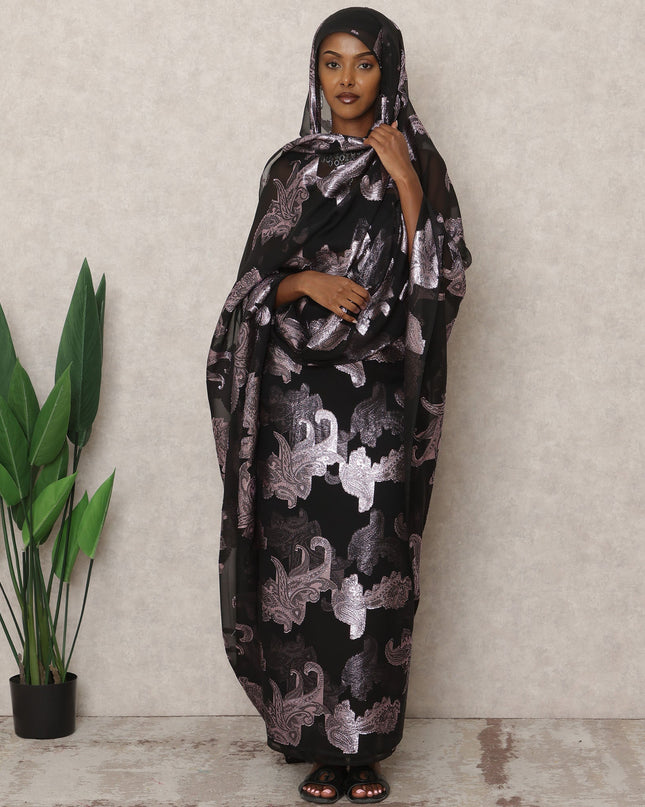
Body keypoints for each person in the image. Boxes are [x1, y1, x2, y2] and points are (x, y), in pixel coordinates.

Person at [206, 7, 471, 803]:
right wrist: (303, 282)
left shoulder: (419, 162)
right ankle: (316, 746)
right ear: (315, 72)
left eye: (363, 63)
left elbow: (445, 279)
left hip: (376, 405)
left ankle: (365, 745)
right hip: (293, 402)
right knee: (303, 576)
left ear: (389, 70)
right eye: (331, 62)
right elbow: (246, 293)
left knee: (369, 568)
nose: (346, 80)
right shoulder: (291, 169)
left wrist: (406, 183)